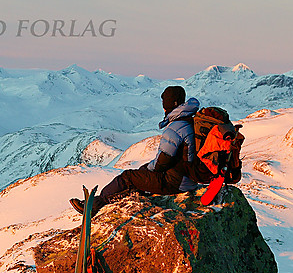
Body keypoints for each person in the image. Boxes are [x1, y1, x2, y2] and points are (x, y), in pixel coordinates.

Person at [70, 85, 199, 215]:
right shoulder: (189, 121)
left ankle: (93, 205)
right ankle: (121, 198)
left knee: (127, 177)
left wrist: (148, 170)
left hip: (176, 182)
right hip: (186, 178)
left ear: (170, 104)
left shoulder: (175, 127)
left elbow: (163, 162)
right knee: (141, 173)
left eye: (164, 102)